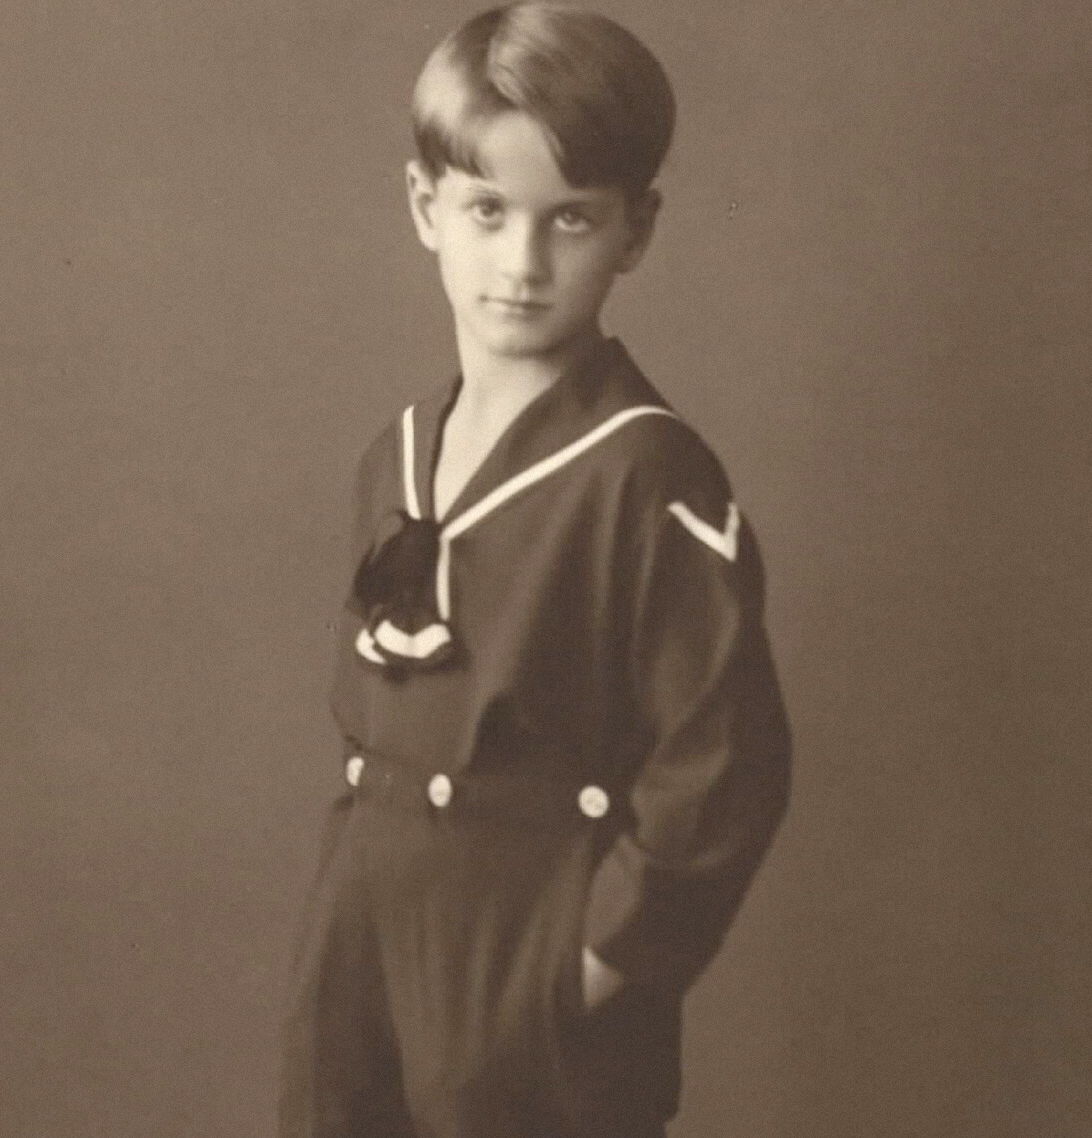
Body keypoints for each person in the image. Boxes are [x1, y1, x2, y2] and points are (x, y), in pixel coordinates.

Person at [279, 4, 791, 1136]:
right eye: (487, 210)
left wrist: (592, 963)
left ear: (633, 232)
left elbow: (722, 765)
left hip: (526, 946)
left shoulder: (644, 473)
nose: (521, 262)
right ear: (426, 208)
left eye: (570, 219)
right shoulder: (395, 454)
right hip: (365, 938)